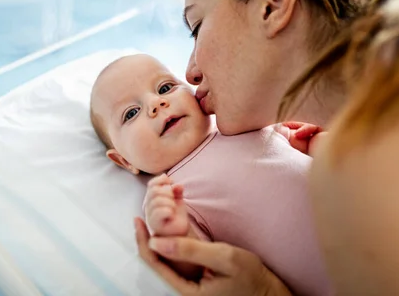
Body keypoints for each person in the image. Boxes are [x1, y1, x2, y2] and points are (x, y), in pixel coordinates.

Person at [138, 0, 399, 295]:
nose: (188, 73)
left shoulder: (371, 157)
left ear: (273, 2)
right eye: (131, 113)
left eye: (197, 27)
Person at [89, 54, 330, 295]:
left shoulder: (238, 123)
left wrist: (324, 137)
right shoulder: (172, 195)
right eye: (131, 113)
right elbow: (195, 266)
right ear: (124, 160)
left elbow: (308, 146)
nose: (156, 104)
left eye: (165, 88)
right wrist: (173, 232)